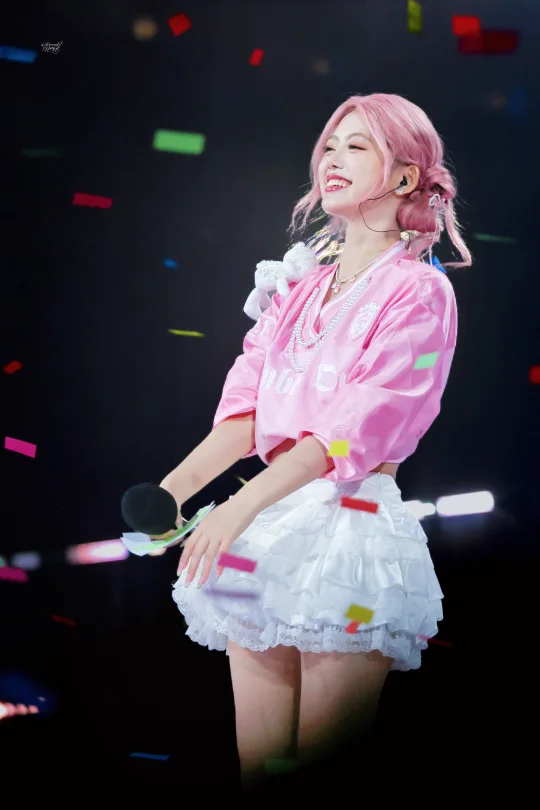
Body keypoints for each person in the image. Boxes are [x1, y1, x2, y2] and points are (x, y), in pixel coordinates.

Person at [156, 93, 471, 789]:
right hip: (270, 532)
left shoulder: (419, 292)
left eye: (358, 147)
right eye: (330, 145)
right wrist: (169, 495)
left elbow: (351, 431)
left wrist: (237, 507)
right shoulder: (297, 288)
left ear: (405, 177)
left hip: (351, 532)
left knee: (322, 778)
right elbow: (247, 410)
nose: (333, 158)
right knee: (261, 770)